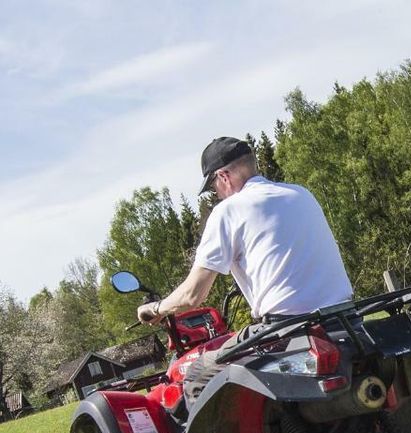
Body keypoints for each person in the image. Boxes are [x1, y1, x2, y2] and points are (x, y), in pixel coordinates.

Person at [138, 136, 353, 400]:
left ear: (224, 176)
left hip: (287, 329)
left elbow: (193, 295)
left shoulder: (228, 211)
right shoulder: (300, 192)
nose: (216, 194)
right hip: (346, 317)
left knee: (197, 376)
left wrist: (157, 309)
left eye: (213, 186)